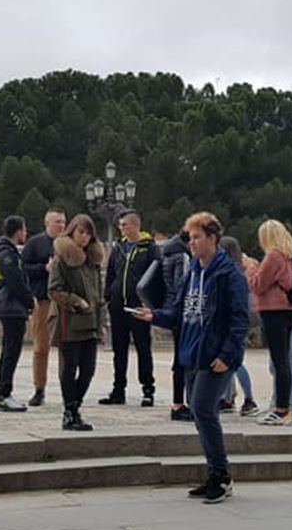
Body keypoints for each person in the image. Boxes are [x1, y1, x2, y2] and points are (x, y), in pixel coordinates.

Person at [132, 212, 251, 504]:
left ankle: (221, 475)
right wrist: (154, 315)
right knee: (200, 414)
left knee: (203, 409)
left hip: (214, 354)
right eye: (189, 238)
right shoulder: (192, 272)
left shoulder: (229, 274)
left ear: (213, 238)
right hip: (191, 352)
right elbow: (178, 312)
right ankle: (214, 473)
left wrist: (227, 354)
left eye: (197, 237)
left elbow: (240, 319)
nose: (191, 243)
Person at [47, 214, 106, 431]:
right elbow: (54, 290)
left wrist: (102, 323)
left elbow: (99, 295)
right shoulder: (62, 259)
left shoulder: (93, 262)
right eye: (81, 232)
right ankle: (70, 412)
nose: (84, 237)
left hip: (90, 322)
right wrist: (76, 301)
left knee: (88, 369)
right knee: (69, 368)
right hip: (69, 320)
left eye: (88, 233)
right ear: (72, 231)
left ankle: (75, 406)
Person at [100, 210, 159, 407]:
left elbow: (156, 275)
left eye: (124, 225)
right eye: (120, 225)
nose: (121, 228)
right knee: (119, 350)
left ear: (135, 225)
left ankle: (148, 390)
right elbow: (111, 274)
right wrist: (108, 296)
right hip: (118, 306)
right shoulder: (118, 248)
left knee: (143, 349)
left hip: (139, 306)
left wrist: (150, 302)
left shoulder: (149, 248)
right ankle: (118, 390)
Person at [248, 220, 292, 426]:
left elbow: (257, 286)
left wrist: (250, 269)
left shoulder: (273, 256)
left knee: (279, 361)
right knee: (284, 361)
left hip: (273, 310)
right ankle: (286, 406)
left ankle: (281, 409)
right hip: (290, 311)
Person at [0, 215, 34, 412]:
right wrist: (30, 302)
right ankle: (3, 395)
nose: (26, 233)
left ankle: (3, 393)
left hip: (10, 308)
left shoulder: (5, 251)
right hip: (10, 308)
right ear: (18, 231)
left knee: (9, 351)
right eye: (24, 229)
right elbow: (16, 282)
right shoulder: (6, 255)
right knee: (10, 352)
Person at [20, 208, 66, 407]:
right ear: (47, 223)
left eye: (63, 222)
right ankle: (39, 389)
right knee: (41, 348)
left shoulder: (69, 243)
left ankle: (67, 388)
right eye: (57, 222)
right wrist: (44, 269)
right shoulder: (35, 243)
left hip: (64, 301)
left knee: (66, 347)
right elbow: (23, 268)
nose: (61, 225)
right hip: (43, 301)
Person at [219, 236, 259, 417]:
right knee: (229, 362)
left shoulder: (232, 272)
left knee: (235, 362)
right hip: (240, 320)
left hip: (235, 321)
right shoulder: (242, 268)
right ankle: (227, 399)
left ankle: (249, 399)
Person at [158, 229, 194, 422]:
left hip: (169, 306)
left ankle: (178, 402)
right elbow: (182, 284)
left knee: (179, 358)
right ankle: (180, 403)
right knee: (183, 359)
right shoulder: (182, 256)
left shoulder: (167, 252)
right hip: (181, 312)